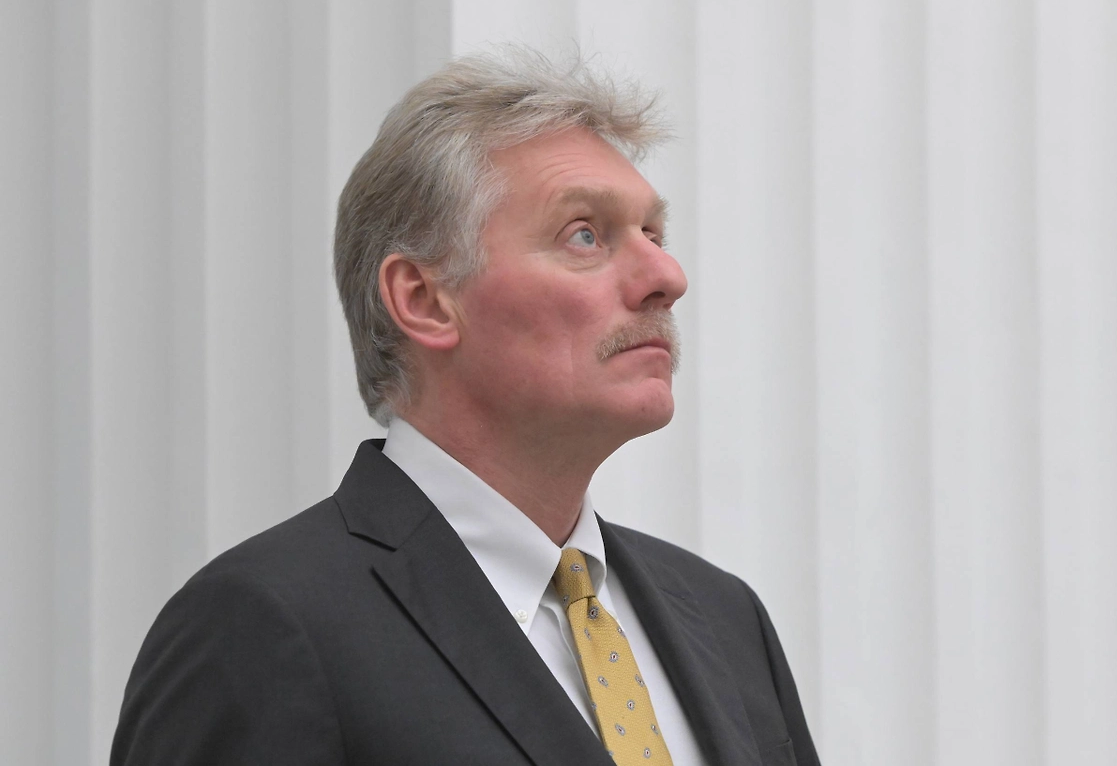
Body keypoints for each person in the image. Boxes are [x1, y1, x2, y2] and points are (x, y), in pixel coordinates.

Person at [111, 49, 820, 766]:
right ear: (423, 300)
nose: (667, 275)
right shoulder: (261, 625)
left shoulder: (726, 619)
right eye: (585, 234)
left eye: (654, 235)